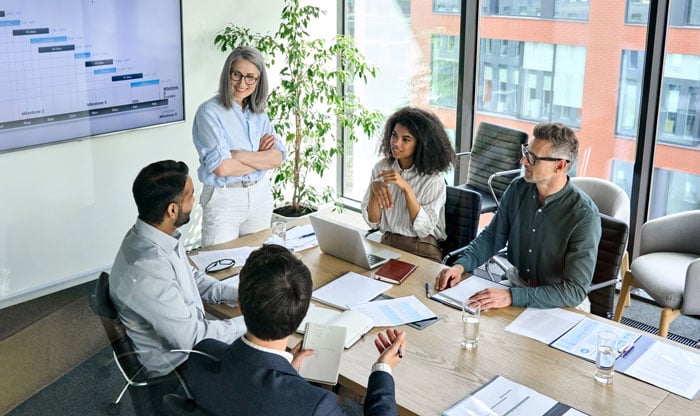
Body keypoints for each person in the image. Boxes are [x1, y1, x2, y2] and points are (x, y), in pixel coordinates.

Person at [183, 244, 406, 416]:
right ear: (303, 312)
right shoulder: (314, 406)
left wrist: (287, 374)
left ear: (239, 301)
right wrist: (383, 370)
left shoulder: (201, 356)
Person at [435, 122, 601, 310]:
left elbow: (573, 291)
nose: (523, 161)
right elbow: (491, 238)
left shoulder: (584, 216)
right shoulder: (517, 188)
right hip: (517, 284)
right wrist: (460, 266)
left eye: (533, 158)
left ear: (559, 166)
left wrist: (512, 296)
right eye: (526, 152)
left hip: (560, 301)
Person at [110, 160, 245, 380]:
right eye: (190, 195)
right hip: (180, 370)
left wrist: (234, 294)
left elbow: (190, 278)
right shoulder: (146, 268)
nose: (195, 200)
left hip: (188, 344)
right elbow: (193, 339)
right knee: (269, 362)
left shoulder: (155, 235)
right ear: (172, 210)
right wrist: (255, 322)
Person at [192, 46, 286, 248]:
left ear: (259, 80)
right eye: (237, 74)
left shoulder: (259, 113)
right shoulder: (209, 112)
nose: (243, 83)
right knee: (220, 267)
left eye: (250, 77)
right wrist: (261, 158)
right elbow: (222, 168)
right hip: (224, 198)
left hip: (260, 195)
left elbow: (277, 158)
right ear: (228, 74)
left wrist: (238, 155)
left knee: (259, 267)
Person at [361, 107, 455, 262]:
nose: (396, 143)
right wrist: (373, 191)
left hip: (422, 248)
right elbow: (373, 222)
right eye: (394, 135)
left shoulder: (433, 179)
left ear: (421, 144)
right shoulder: (381, 168)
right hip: (388, 242)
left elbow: (424, 230)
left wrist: (407, 189)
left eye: (406, 139)